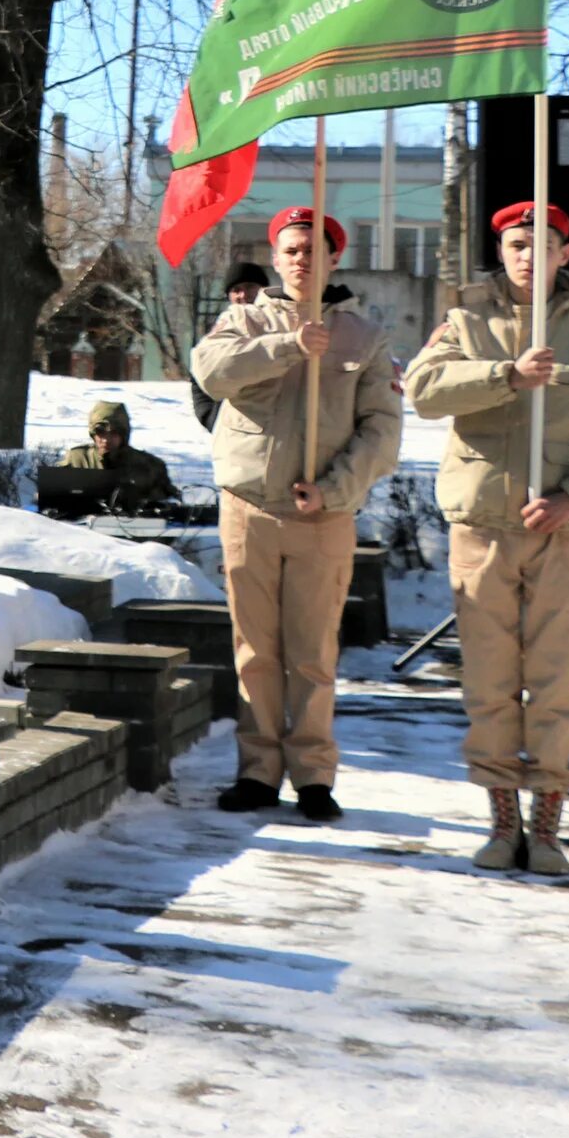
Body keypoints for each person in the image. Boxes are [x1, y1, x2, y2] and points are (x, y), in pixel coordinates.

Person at [407, 202, 569, 874]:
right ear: (501, 250)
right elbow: (423, 390)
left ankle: (546, 824)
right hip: (483, 529)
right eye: (515, 243)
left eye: (541, 243)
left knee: (552, 683)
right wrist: (504, 374)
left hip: (563, 533)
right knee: (488, 683)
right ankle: (500, 821)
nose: (526, 254)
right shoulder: (464, 321)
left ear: (563, 254)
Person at [189, 206, 402, 822]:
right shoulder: (242, 319)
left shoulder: (364, 337)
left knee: (311, 652)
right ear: (276, 259)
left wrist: (335, 489)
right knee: (254, 649)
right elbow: (211, 373)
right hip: (249, 508)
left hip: (321, 516)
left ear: (335, 258)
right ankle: (257, 771)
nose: (303, 259)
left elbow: (382, 432)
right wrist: (286, 346)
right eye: (291, 249)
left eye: (315, 249)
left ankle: (313, 776)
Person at [60, 400, 179, 514]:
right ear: (93, 433)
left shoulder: (149, 466)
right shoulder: (77, 459)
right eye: (100, 432)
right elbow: (54, 498)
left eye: (114, 433)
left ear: (123, 435)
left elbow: (170, 503)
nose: (106, 440)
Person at [190, 262, 268, 431]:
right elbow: (199, 375)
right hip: (231, 431)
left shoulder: (277, 326)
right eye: (236, 290)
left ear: (264, 289)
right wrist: (210, 417)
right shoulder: (221, 332)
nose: (243, 294)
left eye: (250, 287)